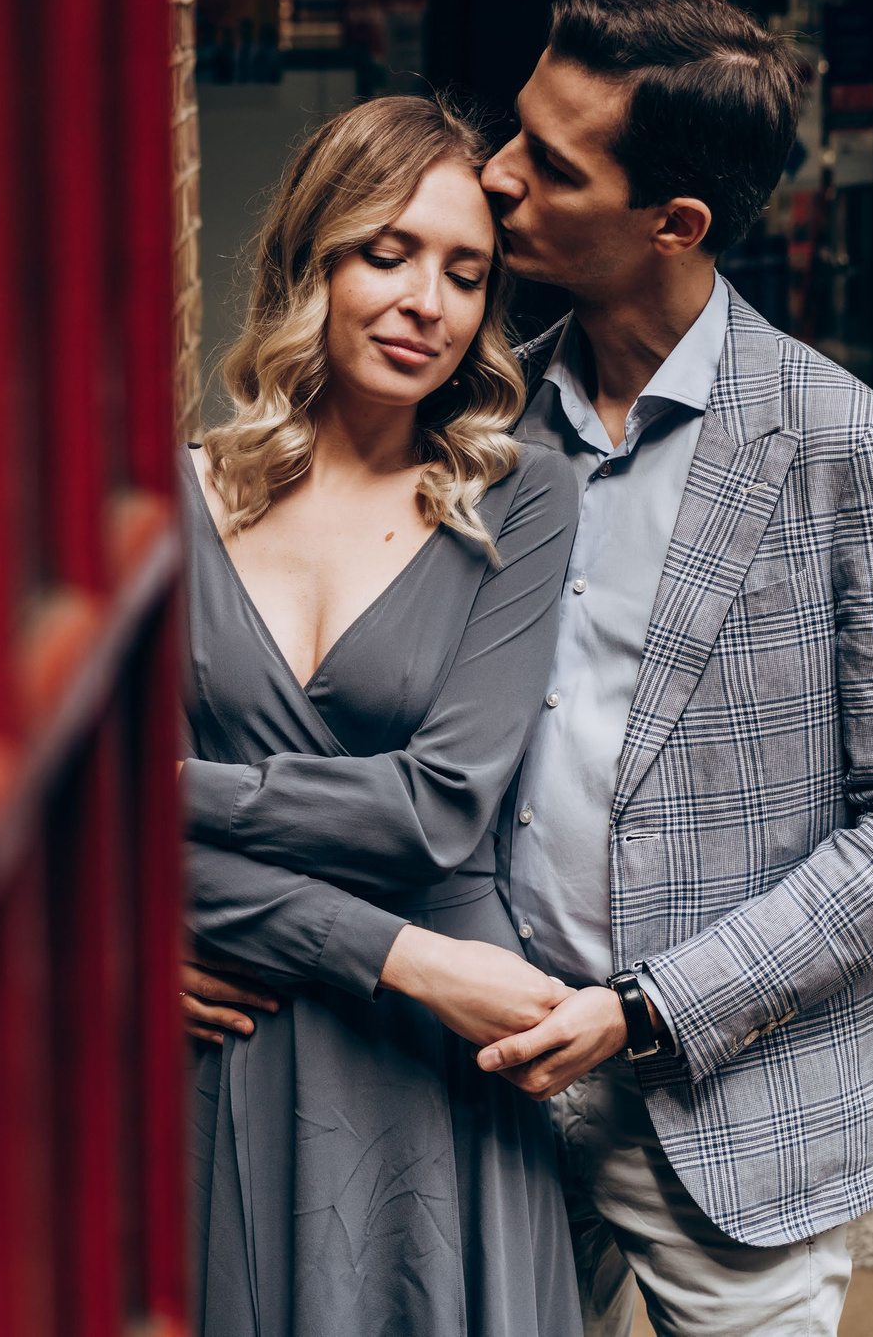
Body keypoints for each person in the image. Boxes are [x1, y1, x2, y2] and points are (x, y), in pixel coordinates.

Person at [188, 0, 873, 1336]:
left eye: (552, 164)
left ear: (673, 225)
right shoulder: (477, 430)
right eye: (518, 133)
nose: (498, 175)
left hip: (725, 1104)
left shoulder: (856, 451)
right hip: (469, 1070)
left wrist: (650, 1010)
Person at [178, 93, 586, 1337]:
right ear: (312, 258)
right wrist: (403, 957)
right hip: (248, 1029)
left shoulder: (515, 499)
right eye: (386, 252)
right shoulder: (168, 494)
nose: (427, 302)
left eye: (466, 274)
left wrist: (162, 808)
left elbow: (434, 809)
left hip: (434, 1069)